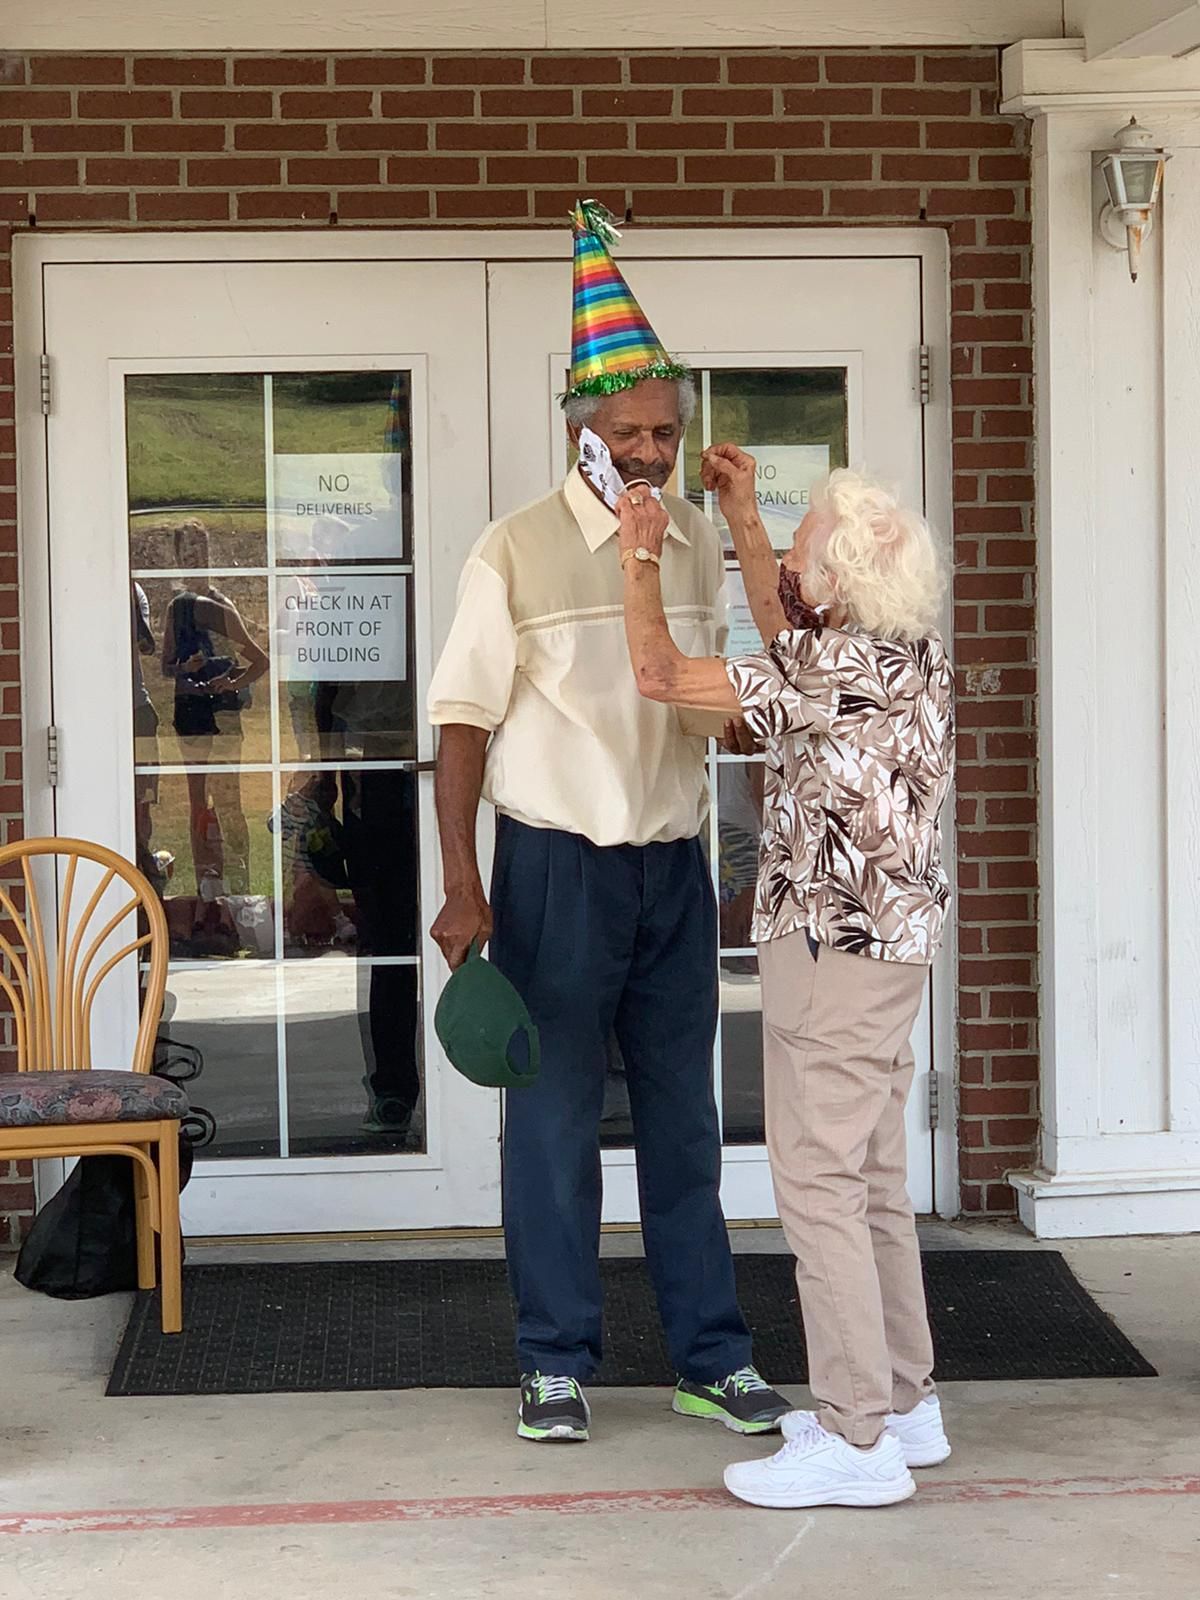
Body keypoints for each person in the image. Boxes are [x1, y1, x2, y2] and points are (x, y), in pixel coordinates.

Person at [428, 202, 788, 1444]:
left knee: (687, 1118)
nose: (649, 453)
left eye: (665, 433)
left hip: (671, 868)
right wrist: (463, 882)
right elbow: (463, 722)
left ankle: (712, 1355)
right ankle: (554, 1361)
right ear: (580, 428)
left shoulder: (686, 542)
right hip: (553, 871)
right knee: (555, 1122)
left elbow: (698, 702)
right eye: (628, 432)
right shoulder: (513, 549)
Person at [617, 443, 954, 1509]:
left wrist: (638, 560)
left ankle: (857, 1442)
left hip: (834, 953)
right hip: (887, 952)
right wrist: (747, 522)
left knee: (815, 1184)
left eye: (809, 540)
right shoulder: (902, 652)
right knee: (870, 1182)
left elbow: (664, 679)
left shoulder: (835, 668)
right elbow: (785, 630)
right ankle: (903, 1401)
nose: (796, 554)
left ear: (844, 573)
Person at [161, 518, 268, 898]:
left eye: (199, 552)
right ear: (178, 560)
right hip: (189, 709)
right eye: (186, 554)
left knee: (229, 799)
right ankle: (207, 889)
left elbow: (253, 661)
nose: (193, 561)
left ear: (208, 555)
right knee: (196, 800)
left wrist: (233, 681)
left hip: (222, 712)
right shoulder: (177, 608)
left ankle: (240, 885)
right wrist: (183, 669)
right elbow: (164, 665)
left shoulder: (220, 604)